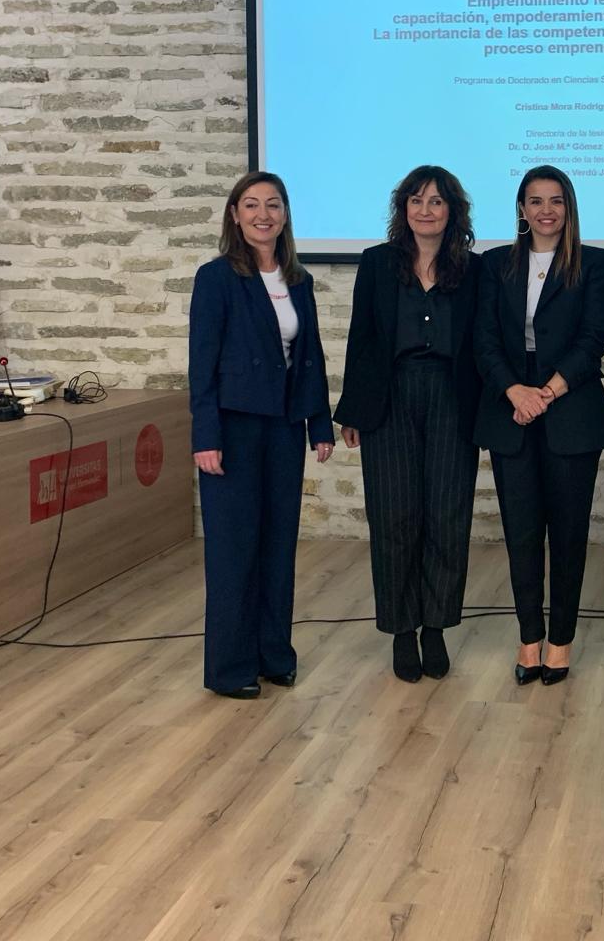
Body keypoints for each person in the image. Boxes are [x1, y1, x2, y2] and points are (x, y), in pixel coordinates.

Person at [188, 171, 335, 699]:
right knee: (234, 550)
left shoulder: (299, 280)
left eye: (273, 204)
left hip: (283, 427)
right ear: (235, 215)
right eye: (251, 205)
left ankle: (275, 655)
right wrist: (205, 436)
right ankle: (231, 668)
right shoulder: (216, 277)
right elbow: (201, 364)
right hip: (232, 429)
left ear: (285, 214)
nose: (262, 214)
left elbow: (310, 357)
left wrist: (319, 423)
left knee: (278, 544)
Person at [334, 167, 482, 684]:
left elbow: (482, 343)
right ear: (403, 209)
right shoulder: (377, 263)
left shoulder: (473, 269)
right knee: (394, 517)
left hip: (451, 397)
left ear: (452, 211)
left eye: (436, 201)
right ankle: (401, 630)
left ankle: (435, 627)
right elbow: (361, 337)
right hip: (390, 396)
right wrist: (353, 410)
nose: (425, 210)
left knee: (447, 516)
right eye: (416, 201)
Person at [474, 165, 604, 686]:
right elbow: (484, 339)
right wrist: (516, 391)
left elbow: (593, 339)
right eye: (535, 201)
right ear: (521, 209)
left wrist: (547, 393)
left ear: (569, 207)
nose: (546, 210)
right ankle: (529, 637)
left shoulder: (596, 263)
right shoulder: (495, 264)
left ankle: (560, 642)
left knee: (569, 534)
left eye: (556, 200)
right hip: (511, 406)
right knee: (522, 533)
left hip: (570, 406)